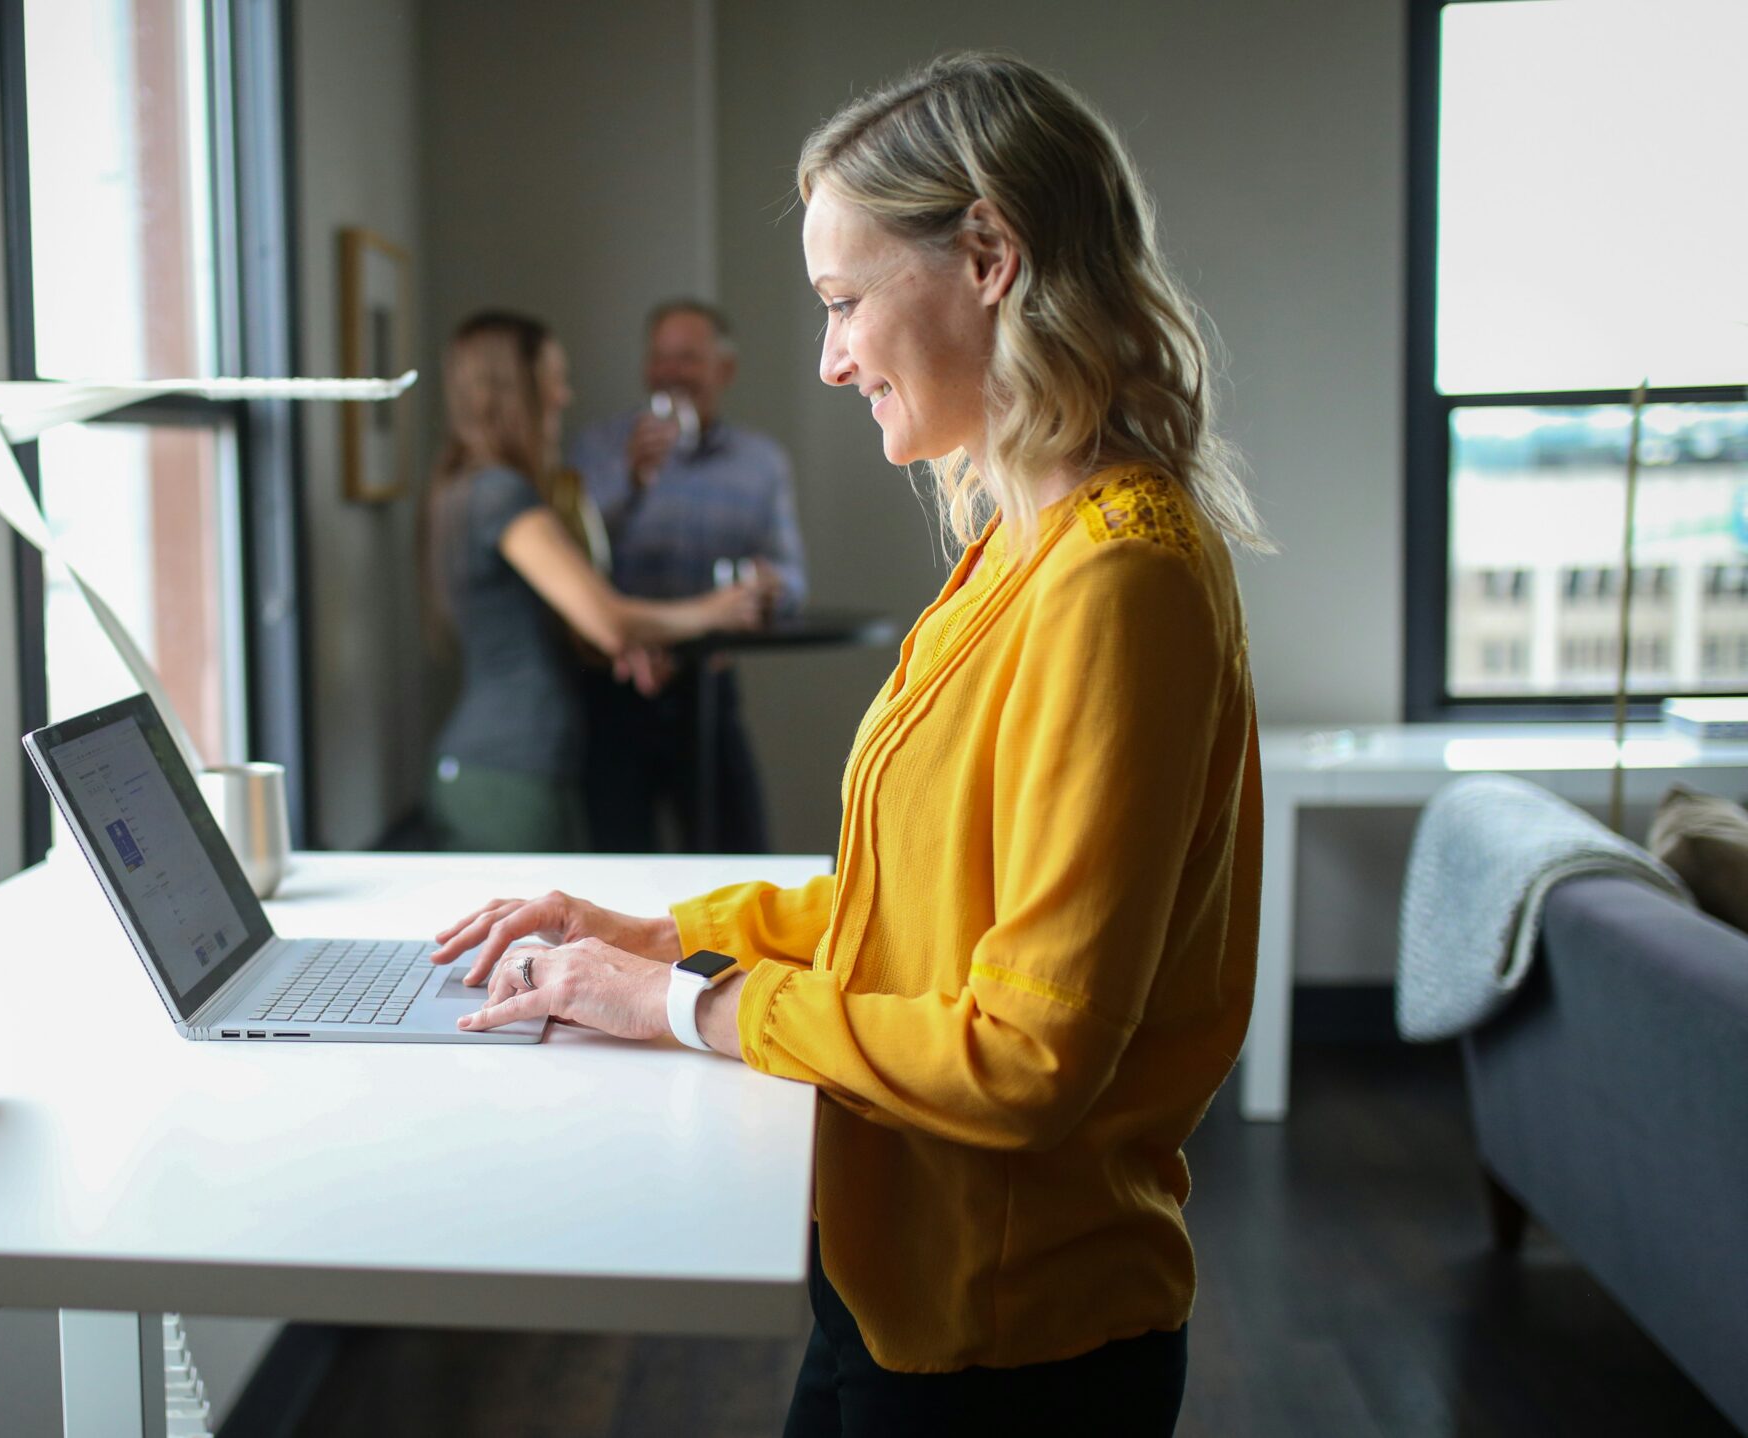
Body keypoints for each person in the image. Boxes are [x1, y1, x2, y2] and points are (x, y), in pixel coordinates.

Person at [427, 53, 1269, 1437]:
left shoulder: (1117, 578)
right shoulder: (1024, 545)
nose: (830, 358)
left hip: (1012, 1346)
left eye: (843, 302)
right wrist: (652, 933)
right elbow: (916, 913)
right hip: (898, 1291)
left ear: (989, 253)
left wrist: (687, 1008)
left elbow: (1025, 1056)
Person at [422, 310, 764, 853]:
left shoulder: (474, 488)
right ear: (517, 390)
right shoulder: (502, 496)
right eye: (553, 379)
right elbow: (607, 617)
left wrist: (623, 648)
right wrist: (716, 611)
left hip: (506, 767)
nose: (564, 396)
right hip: (510, 771)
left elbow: (562, 626)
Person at [567, 301, 808, 853]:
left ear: (724, 371)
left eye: (688, 359)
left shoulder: (761, 462)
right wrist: (628, 482)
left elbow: (792, 577)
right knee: (620, 865)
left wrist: (770, 591)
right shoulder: (600, 448)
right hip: (615, 688)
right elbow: (571, 559)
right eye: (660, 359)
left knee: (738, 855)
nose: (670, 373)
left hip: (708, 686)